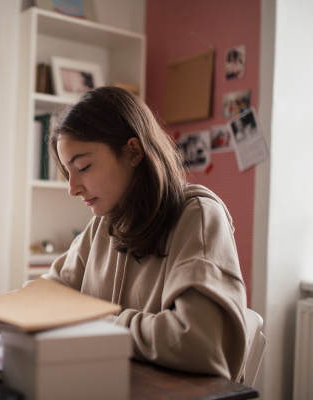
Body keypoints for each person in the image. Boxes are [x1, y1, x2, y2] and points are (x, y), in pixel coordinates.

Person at [42, 86, 248, 381]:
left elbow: (198, 342)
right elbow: (49, 294)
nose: (72, 188)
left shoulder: (197, 217)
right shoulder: (104, 224)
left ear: (133, 152)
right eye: (68, 172)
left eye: (84, 167)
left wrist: (93, 321)